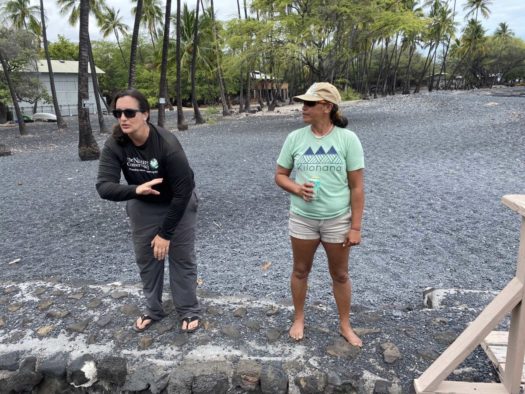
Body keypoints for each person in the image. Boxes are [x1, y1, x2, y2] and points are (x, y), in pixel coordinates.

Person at [96, 88, 201, 333]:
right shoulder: (115, 144)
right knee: (147, 258)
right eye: (118, 113)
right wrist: (135, 190)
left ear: (145, 114)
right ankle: (154, 308)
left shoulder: (167, 145)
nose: (123, 118)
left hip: (179, 202)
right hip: (143, 202)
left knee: (181, 257)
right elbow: (104, 187)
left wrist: (165, 234)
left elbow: (183, 192)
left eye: (130, 112)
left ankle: (188, 309)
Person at [275, 82, 365, 347]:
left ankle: (345, 324)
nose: (303, 108)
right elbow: (280, 176)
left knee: (340, 275)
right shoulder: (295, 138)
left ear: (327, 107)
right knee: (300, 271)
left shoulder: (348, 140)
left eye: (309, 104)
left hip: (337, 219)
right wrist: (297, 188)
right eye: (303, 103)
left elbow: (357, 187)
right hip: (302, 218)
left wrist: (356, 227)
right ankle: (299, 318)